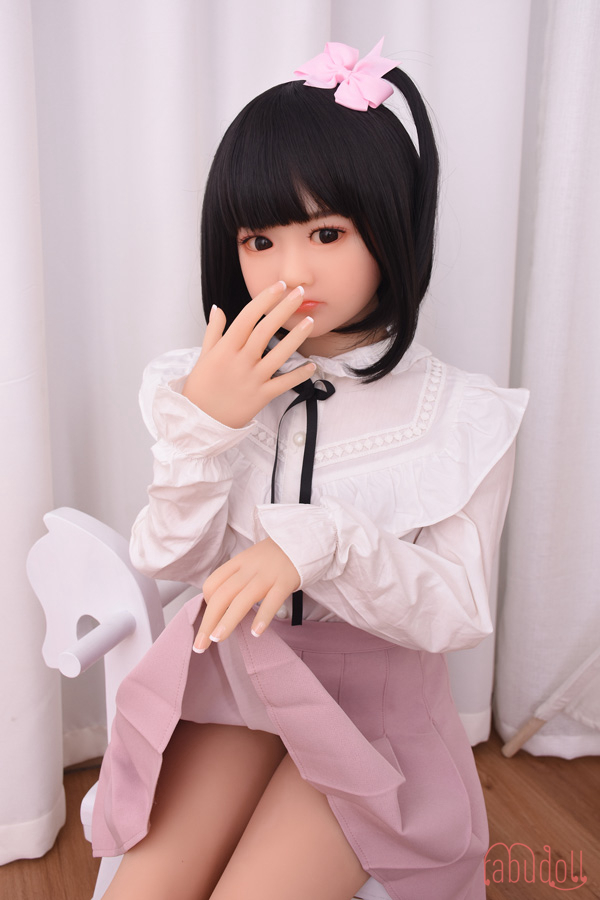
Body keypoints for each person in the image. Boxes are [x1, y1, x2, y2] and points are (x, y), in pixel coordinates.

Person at [92, 39, 529, 900]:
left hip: (375, 721)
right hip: (233, 686)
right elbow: (170, 559)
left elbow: (461, 609)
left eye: (327, 232)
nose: (291, 272)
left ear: (390, 227)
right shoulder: (205, 382)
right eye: (260, 239)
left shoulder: (460, 414)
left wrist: (322, 544)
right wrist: (206, 426)